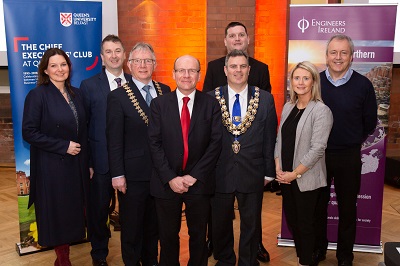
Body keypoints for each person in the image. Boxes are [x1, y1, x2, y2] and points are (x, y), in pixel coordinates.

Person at [203, 21, 272, 262]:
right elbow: (204, 138)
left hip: (252, 170)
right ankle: (225, 260)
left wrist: (269, 171)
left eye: (243, 66)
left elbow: (269, 135)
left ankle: (247, 261)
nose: (238, 70)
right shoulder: (211, 99)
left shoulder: (264, 99)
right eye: (233, 66)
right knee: (220, 224)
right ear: (225, 70)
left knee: (251, 225)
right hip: (219, 171)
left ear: (249, 69)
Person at [148, 55, 222, 266]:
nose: (186, 75)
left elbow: (215, 144)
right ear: (173, 74)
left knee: (198, 237)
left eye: (192, 71)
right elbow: (154, 144)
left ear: (199, 75)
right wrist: (171, 177)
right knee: (168, 237)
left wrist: (194, 176)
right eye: (181, 70)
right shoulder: (159, 104)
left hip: (199, 183)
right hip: (166, 183)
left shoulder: (211, 104)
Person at [314, 34, 378, 266]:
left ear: (351, 56)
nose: (338, 57)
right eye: (333, 52)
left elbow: (369, 122)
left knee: (347, 209)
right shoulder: (316, 82)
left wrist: (351, 140)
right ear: (327, 56)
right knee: (317, 207)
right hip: (318, 156)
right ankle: (318, 250)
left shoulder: (364, 85)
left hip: (348, 156)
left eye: (343, 53)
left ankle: (344, 257)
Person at [22, 48, 89, 266]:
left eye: (63, 64)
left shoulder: (77, 93)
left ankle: (62, 259)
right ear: (46, 70)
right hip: (52, 166)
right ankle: (63, 260)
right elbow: (29, 132)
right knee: (58, 216)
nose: (60, 69)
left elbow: (84, 131)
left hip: (76, 165)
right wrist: (63, 146)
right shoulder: (38, 95)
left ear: (69, 67)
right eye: (54, 65)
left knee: (72, 214)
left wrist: (87, 162)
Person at [107, 42, 170, 266]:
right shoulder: (118, 97)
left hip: (161, 174)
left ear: (155, 64)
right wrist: (117, 174)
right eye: (138, 61)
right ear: (129, 65)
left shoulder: (165, 91)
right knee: (132, 227)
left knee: (155, 225)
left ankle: (151, 260)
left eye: (148, 61)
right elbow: (114, 140)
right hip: (132, 175)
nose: (143, 65)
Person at [274, 61, 333, 266]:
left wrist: (294, 174)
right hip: (286, 177)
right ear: (291, 81)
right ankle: (303, 258)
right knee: (293, 222)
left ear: (313, 82)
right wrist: (278, 168)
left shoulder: (321, 110)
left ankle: (306, 261)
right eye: (296, 78)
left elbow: (318, 148)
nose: (300, 82)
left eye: (305, 78)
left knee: (306, 224)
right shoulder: (288, 106)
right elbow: (279, 139)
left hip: (305, 178)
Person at [80, 34, 130, 266]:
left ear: (124, 54)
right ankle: (99, 255)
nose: (113, 55)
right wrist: (88, 162)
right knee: (98, 213)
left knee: (131, 213)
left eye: (117, 50)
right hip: (100, 163)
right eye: (108, 52)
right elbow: (84, 127)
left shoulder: (135, 82)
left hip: (131, 162)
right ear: (102, 57)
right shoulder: (88, 86)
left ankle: (132, 253)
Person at [203, 21, 271, 93]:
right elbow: (207, 100)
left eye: (241, 35)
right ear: (225, 41)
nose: (237, 39)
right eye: (232, 36)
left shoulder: (261, 69)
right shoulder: (213, 67)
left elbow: (265, 101)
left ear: (248, 39)